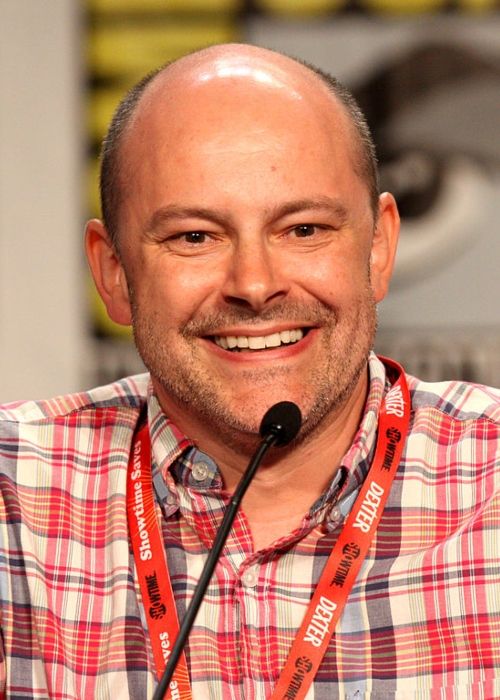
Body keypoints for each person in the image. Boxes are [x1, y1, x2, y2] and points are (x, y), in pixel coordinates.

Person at [0, 43, 498, 700]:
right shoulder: (13, 498)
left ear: (378, 247)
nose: (255, 285)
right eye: (195, 237)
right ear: (113, 273)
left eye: (304, 229)